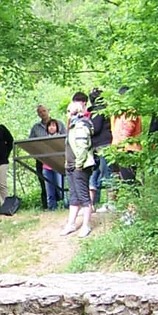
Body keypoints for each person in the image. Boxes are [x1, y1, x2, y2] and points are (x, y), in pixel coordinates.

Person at [61, 94, 96, 238]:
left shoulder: (81, 125)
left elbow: (82, 147)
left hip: (79, 166)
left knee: (83, 197)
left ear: (76, 112)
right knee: (74, 196)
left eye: (70, 112)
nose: (68, 114)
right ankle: (71, 224)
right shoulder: (73, 126)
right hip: (70, 165)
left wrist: (79, 165)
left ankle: (86, 225)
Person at [107, 86, 143, 211]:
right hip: (118, 150)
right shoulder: (117, 113)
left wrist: (119, 146)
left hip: (129, 150)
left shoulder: (131, 111)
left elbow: (127, 130)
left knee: (129, 182)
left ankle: (133, 211)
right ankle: (129, 209)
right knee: (123, 181)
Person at [29, 104, 64, 210]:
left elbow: (65, 139)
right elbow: (30, 143)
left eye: (44, 111)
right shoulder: (36, 127)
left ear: (48, 111)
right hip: (42, 160)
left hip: (58, 158)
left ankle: (63, 203)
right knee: (44, 182)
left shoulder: (59, 124)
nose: (42, 113)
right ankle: (48, 206)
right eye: (40, 112)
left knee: (60, 183)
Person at [88, 88, 113, 209]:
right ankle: (90, 204)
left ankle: (111, 203)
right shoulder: (105, 110)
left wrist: (86, 129)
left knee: (106, 173)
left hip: (103, 146)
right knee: (96, 173)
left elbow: (96, 128)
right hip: (99, 147)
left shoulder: (99, 111)